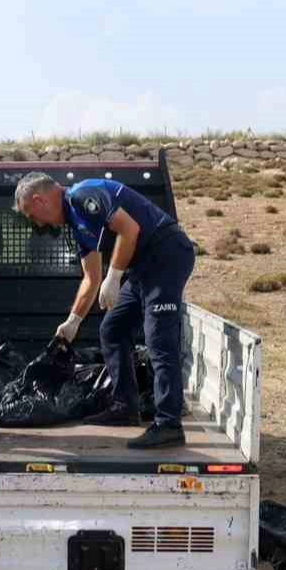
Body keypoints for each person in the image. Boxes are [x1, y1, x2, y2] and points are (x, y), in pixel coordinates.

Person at [13, 172, 196, 449]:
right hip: (142, 268)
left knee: (159, 340)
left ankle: (169, 424)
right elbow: (90, 277)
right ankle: (125, 407)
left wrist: (115, 276)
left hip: (166, 253)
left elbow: (129, 230)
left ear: (39, 200)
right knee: (112, 329)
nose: (36, 223)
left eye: (31, 215)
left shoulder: (83, 195)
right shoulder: (77, 224)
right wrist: (73, 321)